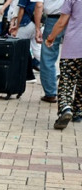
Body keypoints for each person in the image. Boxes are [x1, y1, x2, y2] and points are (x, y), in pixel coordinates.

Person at [45, 0, 81, 128]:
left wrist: (51, 37)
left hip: (73, 46)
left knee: (66, 79)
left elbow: (61, 22)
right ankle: (78, 112)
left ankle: (66, 108)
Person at [39, 0, 65, 103]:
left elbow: (39, 4)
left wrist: (37, 28)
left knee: (48, 56)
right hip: (74, 18)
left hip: (53, 19)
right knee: (75, 57)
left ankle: (50, 93)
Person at [10, 0, 43, 73]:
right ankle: (52, 70)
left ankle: (21, 74)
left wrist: (17, 26)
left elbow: (21, 11)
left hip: (24, 23)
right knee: (37, 49)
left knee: (18, 50)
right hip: (34, 23)